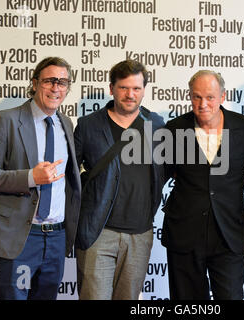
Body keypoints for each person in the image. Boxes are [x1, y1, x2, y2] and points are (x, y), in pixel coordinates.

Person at [0, 57, 81, 300]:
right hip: (20, 238)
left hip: (55, 237)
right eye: (50, 81)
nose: (56, 88)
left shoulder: (66, 123)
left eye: (63, 82)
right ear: (34, 83)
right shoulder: (7, 120)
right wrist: (30, 177)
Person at [74, 60, 165, 300]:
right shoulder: (88, 125)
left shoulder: (156, 125)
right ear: (112, 88)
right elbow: (70, 177)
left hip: (140, 234)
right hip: (98, 232)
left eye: (136, 88)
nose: (130, 94)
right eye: (124, 87)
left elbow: (165, 172)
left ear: (144, 90)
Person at [162, 70, 244, 300]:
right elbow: (158, 178)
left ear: (222, 97)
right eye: (196, 97)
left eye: (210, 97)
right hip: (184, 235)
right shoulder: (174, 130)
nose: (203, 104)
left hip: (229, 235)